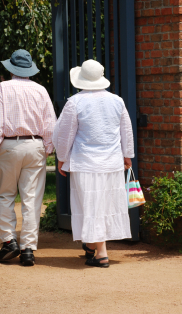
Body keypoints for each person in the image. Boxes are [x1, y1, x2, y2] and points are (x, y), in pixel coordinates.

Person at [53, 59, 134, 268]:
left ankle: (101, 253)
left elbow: (65, 133)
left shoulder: (75, 102)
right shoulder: (117, 101)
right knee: (104, 204)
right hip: (112, 162)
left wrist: (62, 157)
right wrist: (128, 155)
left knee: (90, 205)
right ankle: (92, 246)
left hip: (85, 161)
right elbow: (126, 131)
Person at [0, 49, 57, 266]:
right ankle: (28, 248)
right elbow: (50, 124)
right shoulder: (40, 90)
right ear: (29, 69)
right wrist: (47, 148)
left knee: (5, 195)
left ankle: (9, 241)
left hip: (8, 144)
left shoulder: (1, 88)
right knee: (32, 198)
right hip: (34, 144)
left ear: (11, 69)